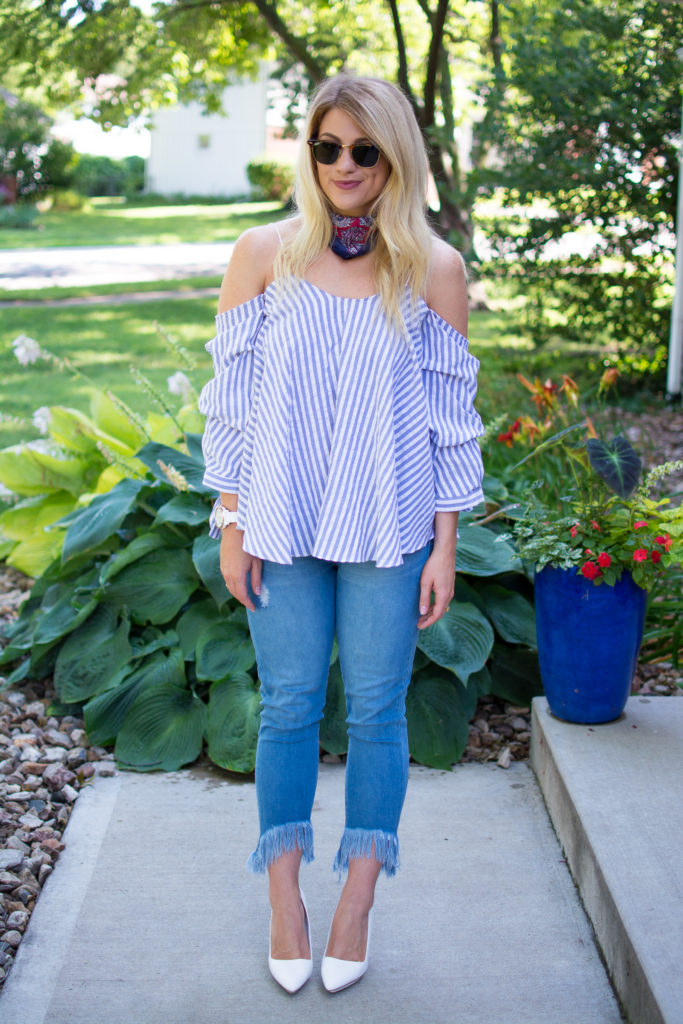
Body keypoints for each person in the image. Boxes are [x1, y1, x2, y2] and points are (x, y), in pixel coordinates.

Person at [199, 72, 484, 995]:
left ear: (394, 154)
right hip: (278, 522)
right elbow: (231, 406)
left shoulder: (432, 269)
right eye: (328, 148)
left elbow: (447, 422)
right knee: (286, 707)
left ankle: (357, 899)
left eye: (364, 149)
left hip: (390, 528)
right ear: (309, 153)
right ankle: (285, 900)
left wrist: (443, 546)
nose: (344, 166)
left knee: (374, 713)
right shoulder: (262, 254)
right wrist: (231, 520)